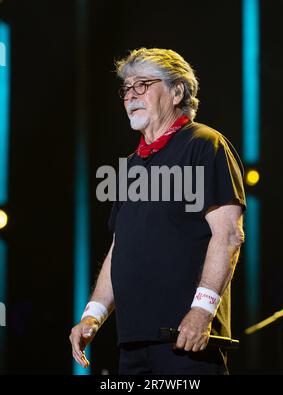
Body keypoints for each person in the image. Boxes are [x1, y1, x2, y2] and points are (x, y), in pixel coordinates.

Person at [69, 47, 246, 375]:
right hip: (133, 344)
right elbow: (120, 248)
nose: (130, 96)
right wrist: (92, 315)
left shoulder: (205, 145)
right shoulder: (132, 165)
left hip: (186, 340)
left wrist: (202, 312)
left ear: (177, 91)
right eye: (126, 88)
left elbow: (229, 234)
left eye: (142, 85)